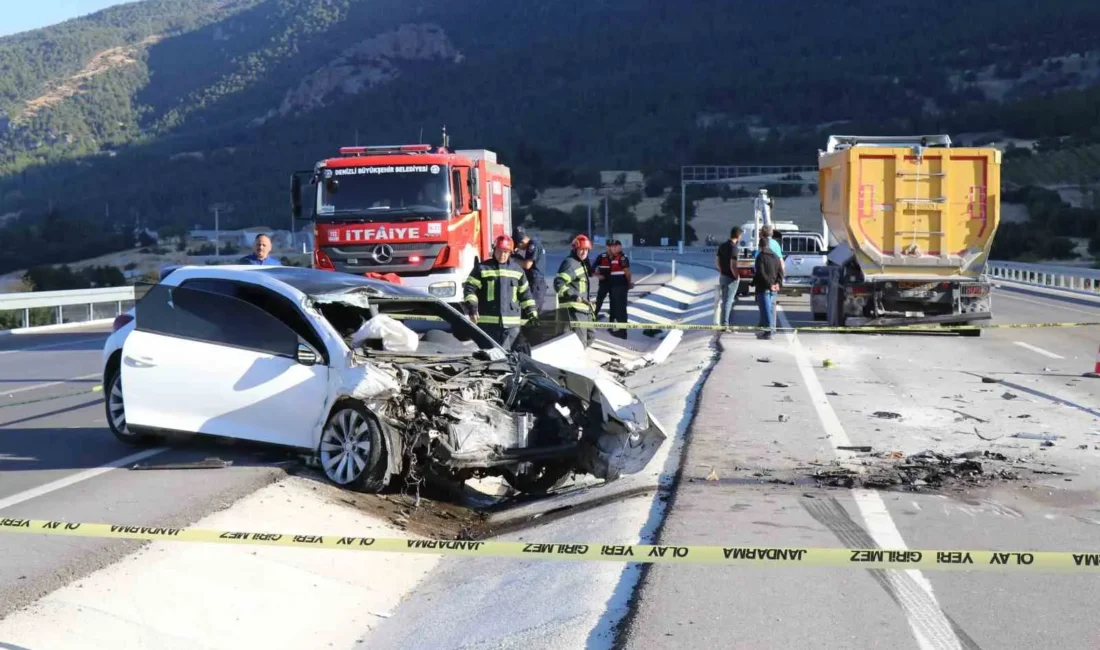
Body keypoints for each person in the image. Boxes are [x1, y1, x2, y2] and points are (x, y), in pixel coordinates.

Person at [462, 235, 538, 350]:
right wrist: (472, 308)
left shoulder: (517, 270)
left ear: (510, 253)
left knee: (508, 358)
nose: (502, 255)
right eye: (500, 251)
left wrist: (532, 313)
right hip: (488, 325)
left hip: (512, 327)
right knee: (489, 356)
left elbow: (526, 294)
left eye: (506, 252)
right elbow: (469, 288)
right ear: (494, 250)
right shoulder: (482, 268)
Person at [554, 234, 595, 348]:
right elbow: (558, 284)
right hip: (574, 309)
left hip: (584, 309)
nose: (584, 252)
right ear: (575, 249)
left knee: (590, 336)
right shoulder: (570, 263)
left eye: (586, 250)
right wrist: (573, 295)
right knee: (579, 343)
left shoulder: (581, 263)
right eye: (581, 249)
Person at [753, 232, 784, 340]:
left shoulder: (760, 257)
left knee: (765, 310)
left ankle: (769, 331)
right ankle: (763, 329)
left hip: (764, 287)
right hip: (773, 287)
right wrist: (778, 284)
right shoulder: (776, 257)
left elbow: (760, 273)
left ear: (760, 246)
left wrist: (769, 285)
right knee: (769, 309)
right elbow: (780, 271)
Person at [511, 227, 547, 311]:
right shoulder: (534, 244)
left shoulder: (532, 245)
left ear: (521, 242)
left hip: (536, 283)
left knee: (531, 310)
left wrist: (513, 260)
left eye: (518, 246)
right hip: (535, 282)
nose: (519, 249)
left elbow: (527, 265)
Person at [603, 239, 633, 339]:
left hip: (621, 286)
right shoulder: (613, 257)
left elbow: (627, 271)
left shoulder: (622, 258)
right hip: (615, 287)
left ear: (620, 247)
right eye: (612, 246)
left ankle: (622, 332)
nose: (613, 248)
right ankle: (620, 329)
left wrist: (628, 283)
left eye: (615, 246)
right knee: (617, 309)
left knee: (621, 309)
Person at [716, 226, 742, 326]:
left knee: (724, 301)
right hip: (730, 279)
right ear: (738, 235)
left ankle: (723, 323)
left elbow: (717, 263)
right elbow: (733, 265)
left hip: (722, 276)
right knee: (728, 301)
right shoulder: (734, 248)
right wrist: (736, 276)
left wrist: (723, 271)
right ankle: (725, 324)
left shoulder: (722, 246)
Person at [592, 242, 613, 318]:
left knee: (614, 303)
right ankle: (593, 317)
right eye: (609, 246)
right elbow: (592, 269)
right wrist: (598, 275)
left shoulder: (619, 257)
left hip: (615, 284)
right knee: (599, 301)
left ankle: (612, 323)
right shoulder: (601, 256)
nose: (610, 248)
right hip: (604, 284)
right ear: (606, 247)